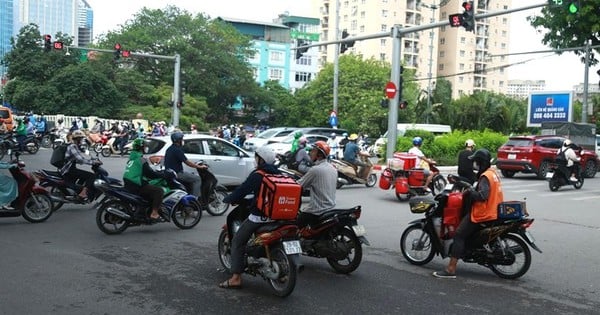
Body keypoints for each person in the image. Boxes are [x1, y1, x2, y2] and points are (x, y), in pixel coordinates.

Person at [433, 148, 503, 279]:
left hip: (482, 213)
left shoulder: (485, 177)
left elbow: (482, 196)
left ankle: (451, 269)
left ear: (480, 162)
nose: (474, 164)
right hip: (494, 210)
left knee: (459, 235)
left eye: (476, 161)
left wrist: (470, 191)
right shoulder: (492, 173)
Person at [218, 146, 280, 289]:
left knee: (238, 241)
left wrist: (229, 198)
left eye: (256, 157)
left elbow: (242, 190)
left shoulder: (258, 174)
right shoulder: (279, 173)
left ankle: (235, 278)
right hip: (279, 217)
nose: (254, 160)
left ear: (260, 159)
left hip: (260, 217)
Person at [296, 141, 337, 228]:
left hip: (317, 210)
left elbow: (298, 186)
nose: (310, 153)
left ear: (319, 155)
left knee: (296, 226)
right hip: (331, 207)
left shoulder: (315, 170)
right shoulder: (333, 168)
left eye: (313, 151)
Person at [123, 138, 165, 221]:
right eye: (145, 146)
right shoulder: (141, 159)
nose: (146, 148)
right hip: (136, 184)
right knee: (159, 191)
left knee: (148, 188)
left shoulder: (132, 158)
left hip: (128, 182)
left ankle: (143, 210)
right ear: (141, 147)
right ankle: (154, 213)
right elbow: (149, 173)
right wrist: (161, 175)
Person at [60, 130, 102, 201]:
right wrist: (93, 162)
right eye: (81, 138)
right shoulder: (72, 146)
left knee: (83, 175)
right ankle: (83, 193)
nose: (82, 140)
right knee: (91, 176)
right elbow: (80, 159)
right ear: (77, 139)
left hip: (70, 168)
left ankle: (78, 190)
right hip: (68, 170)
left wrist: (93, 158)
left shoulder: (76, 146)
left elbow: (83, 155)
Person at [164, 132, 207, 198]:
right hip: (177, 173)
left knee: (191, 175)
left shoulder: (170, 149)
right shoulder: (177, 150)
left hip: (170, 173)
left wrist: (195, 164)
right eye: (182, 139)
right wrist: (200, 167)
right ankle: (194, 199)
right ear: (178, 141)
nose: (183, 141)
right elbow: (187, 162)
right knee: (197, 179)